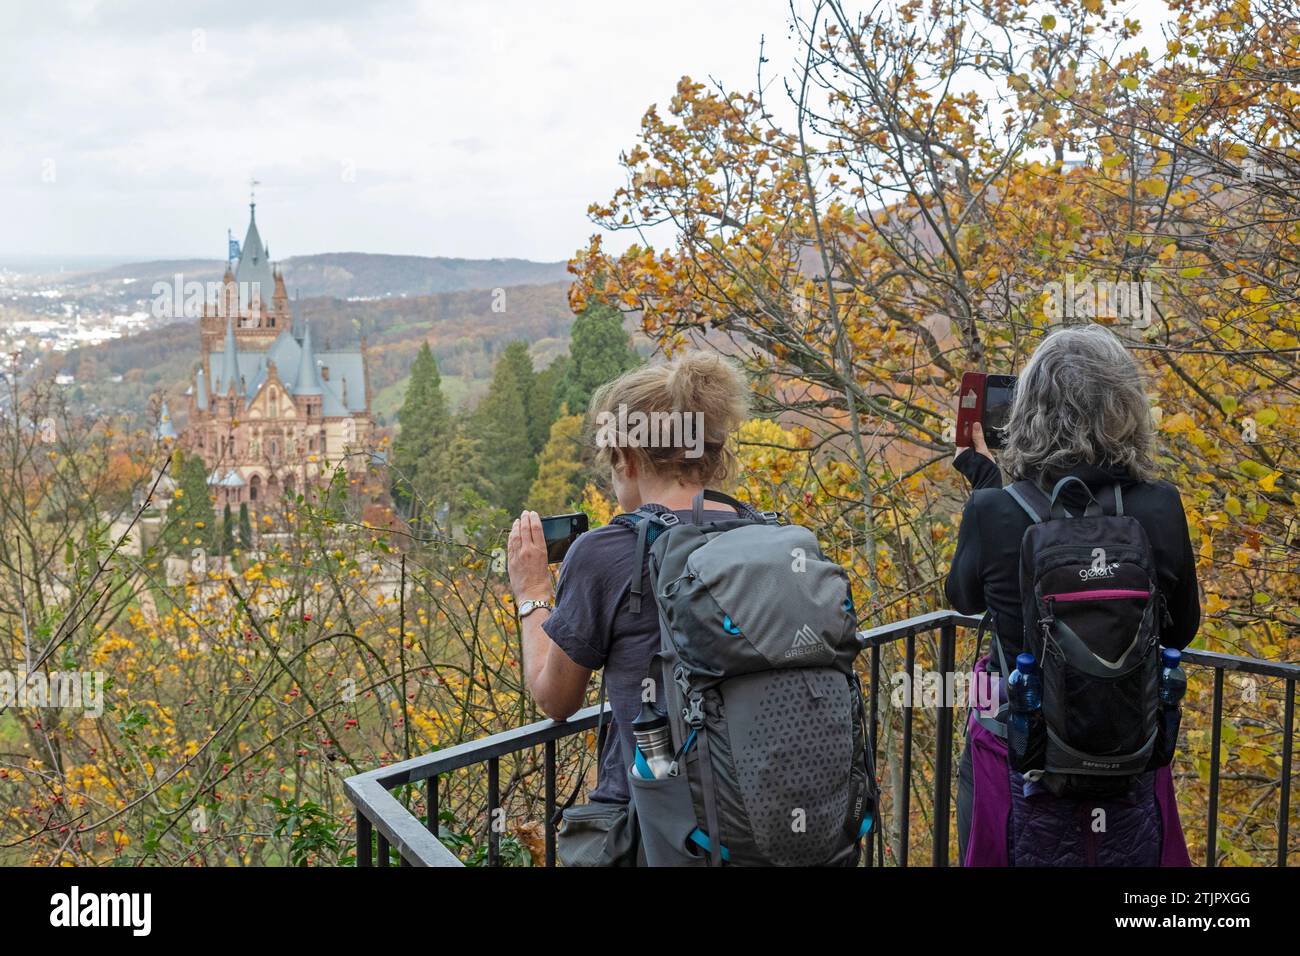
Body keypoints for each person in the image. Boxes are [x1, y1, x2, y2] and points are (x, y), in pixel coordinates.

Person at [947, 324, 1200, 866]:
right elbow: (1182, 629)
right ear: (1124, 405)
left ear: (1028, 408)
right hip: (1128, 746)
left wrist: (989, 485)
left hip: (1021, 752)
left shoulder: (994, 510)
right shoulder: (1159, 505)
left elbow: (963, 599)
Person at [506, 351, 751, 807]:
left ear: (628, 456)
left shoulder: (608, 551)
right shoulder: (765, 533)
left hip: (660, 827)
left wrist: (535, 593)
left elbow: (556, 698)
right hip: (767, 807)